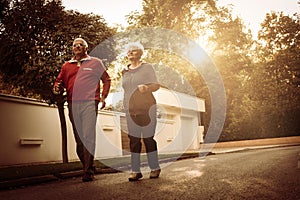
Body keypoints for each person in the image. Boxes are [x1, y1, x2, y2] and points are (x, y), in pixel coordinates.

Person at [53, 38, 111, 182]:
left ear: (86, 48)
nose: (77, 46)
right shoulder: (66, 66)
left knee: (88, 135)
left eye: (81, 44)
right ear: (72, 48)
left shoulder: (95, 62)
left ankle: (87, 172)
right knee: (79, 139)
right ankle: (88, 165)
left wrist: (103, 97)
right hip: (73, 103)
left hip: (90, 102)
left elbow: (107, 79)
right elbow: (58, 82)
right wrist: (56, 88)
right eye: (75, 45)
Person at [122, 42, 161, 181]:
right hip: (130, 111)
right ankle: (135, 170)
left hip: (147, 109)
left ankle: (155, 168)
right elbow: (126, 90)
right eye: (128, 51)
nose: (130, 53)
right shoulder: (125, 71)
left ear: (140, 53)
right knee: (134, 141)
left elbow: (156, 85)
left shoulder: (147, 67)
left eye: (133, 50)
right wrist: (125, 105)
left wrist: (147, 88)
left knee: (148, 139)